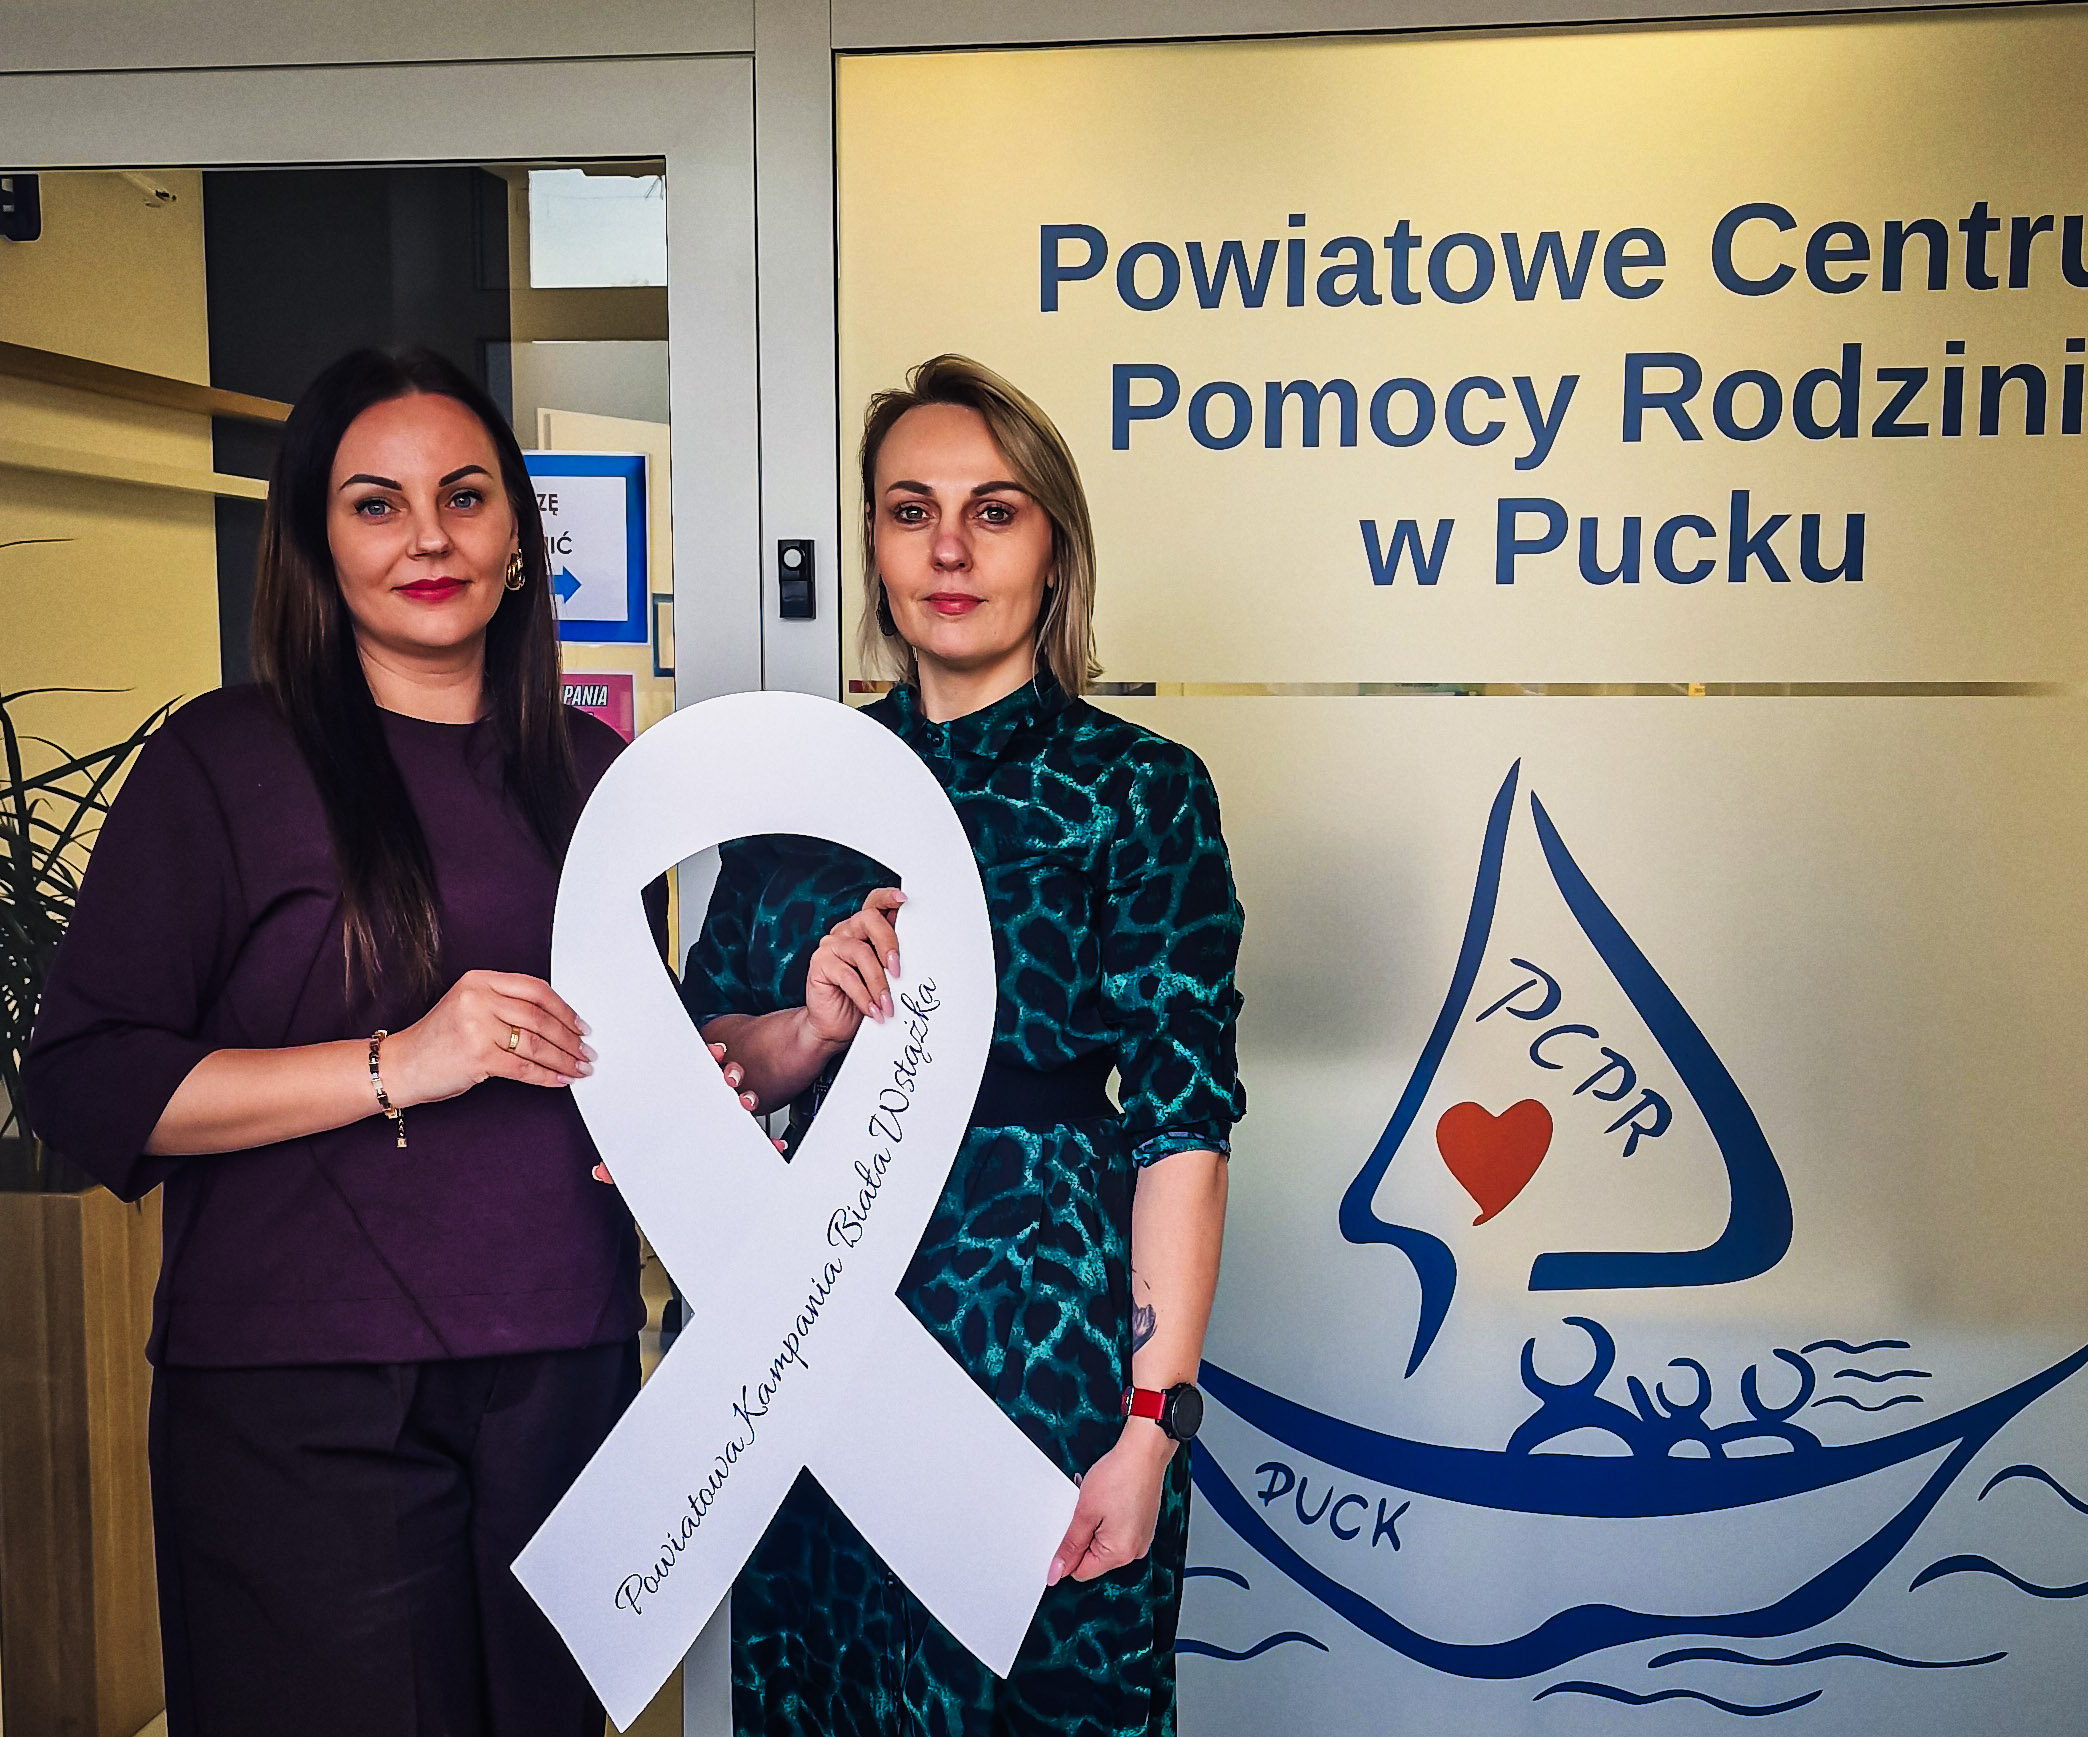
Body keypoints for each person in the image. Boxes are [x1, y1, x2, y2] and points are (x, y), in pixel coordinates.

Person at [22, 347, 651, 1737]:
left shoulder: (592, 774)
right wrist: (399, 1061)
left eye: (465, 497)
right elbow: (82, 1075)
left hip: (566, 1365)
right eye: (377, 504)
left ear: (518, 536)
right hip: (298, 1395)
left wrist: (750, 1052)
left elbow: (616, 1048)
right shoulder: (221, 763)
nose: (429, 537)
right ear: (315, 541)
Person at [682, 353, 1244, 1737]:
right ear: (873, 549)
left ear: (1054, 547)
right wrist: (809, 1025)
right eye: (909, 510)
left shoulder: (1139, 793)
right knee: (827, 1697)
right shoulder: (800, 790)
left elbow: (1183, 1120)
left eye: (993, 511)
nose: (948, 548)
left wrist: (1151, 1426)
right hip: (816, 1342)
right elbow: (706, 1063)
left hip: (1044, 1359)